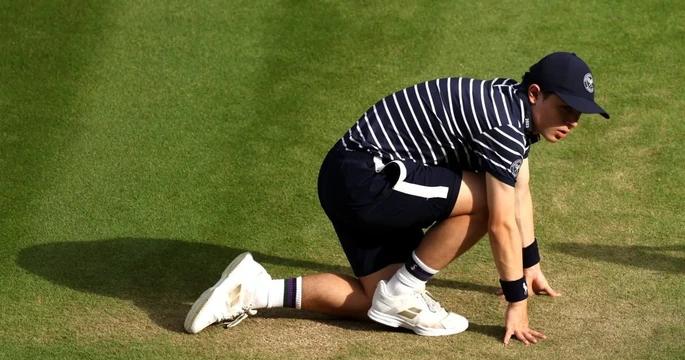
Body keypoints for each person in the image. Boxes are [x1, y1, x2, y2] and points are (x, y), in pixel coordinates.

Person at [184, 52, 609, 344]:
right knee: (486, 204)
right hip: (363, 176)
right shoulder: (504, 125)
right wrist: (517, 302)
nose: (573, 121)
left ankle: (252, 291)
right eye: (566, 108)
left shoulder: (510, 103)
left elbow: (521, 187)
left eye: (579, 113)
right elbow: (501, 219)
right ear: (536, 94)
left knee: (375, 301)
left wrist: (531, 264)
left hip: (346, 178)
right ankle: (405, 291)